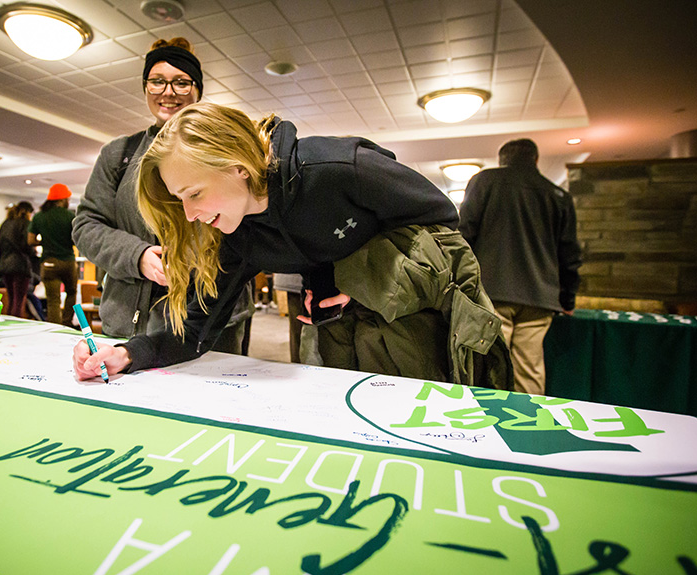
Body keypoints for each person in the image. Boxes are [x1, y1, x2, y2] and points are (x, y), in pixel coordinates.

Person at [73, 103, 511, 388]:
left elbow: (442, 222)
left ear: (238, 167)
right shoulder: (237, 235)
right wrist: (127, 353)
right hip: (333, 332)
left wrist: (359, 278)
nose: (189, 215)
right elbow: (195, 330)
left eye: (195, 194)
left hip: (415, 326)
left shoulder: (338, 169)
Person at [72, 37, 252, 351]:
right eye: (157, 82)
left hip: (211, 321)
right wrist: (136, 255)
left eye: (181, 82)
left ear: (198, 89)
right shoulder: (119, 155)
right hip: (129, 320)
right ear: (145, 88)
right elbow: (86, 226)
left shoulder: (226, 145)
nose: (168, 92)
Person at [458, 138, 582, 395]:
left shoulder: (484, 181)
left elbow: (463, 236)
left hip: (492, 293)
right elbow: (569, 253)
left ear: (502, 160)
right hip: (540, 298)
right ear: (535, 160)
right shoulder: (558, 194)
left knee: (487, 364)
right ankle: (528, 425)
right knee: (530, 368)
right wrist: (567, 299)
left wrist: (461, 284)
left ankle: (481, 426)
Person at [29, 183, 77, 327]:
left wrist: (45, 243)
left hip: (48, 262)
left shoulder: (39, 217)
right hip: (68, 261)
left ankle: (55, 328)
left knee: (53, 300)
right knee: (72, 292)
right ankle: (67, 323)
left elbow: (30, 240)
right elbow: (77, 239)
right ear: (62, 199)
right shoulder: (70, 216)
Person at [0, 201, 36, 317]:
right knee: (19, 301)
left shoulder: (5, 223)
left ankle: (9, 325)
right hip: (20, 265)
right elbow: (27, 246)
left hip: (5, 265)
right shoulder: (25, 223)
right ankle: (16, 326)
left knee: (11, 298)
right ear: (28, 212)